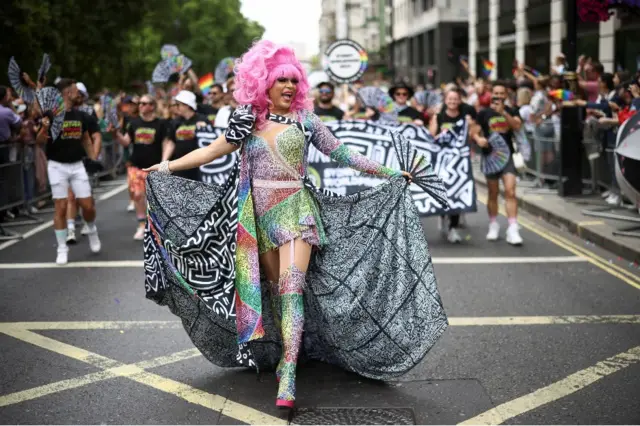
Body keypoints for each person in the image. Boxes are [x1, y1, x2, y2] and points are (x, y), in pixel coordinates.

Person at [143, 40, 448, 409]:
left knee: (290, 287)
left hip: (296, 211)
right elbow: (212, 151)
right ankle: (287, 350)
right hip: (255, 219)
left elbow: (342, 153)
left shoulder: (306, 120)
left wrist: (389, 172)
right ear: (264, 83)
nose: (288, 86)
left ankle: (287, 372)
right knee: (272, 293)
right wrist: (166, 167)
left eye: (293, 80)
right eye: (280, 80)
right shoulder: (247, 119)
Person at [35, 79, 101, 265]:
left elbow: (86, 140)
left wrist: (93, 160)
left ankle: (91, 228)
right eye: (74, 90)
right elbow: (39, 142)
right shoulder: (51, 115)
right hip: (56, 166)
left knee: (87, 206)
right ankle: (62, 248)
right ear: (66, 93)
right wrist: (45, 128)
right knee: (61, 207)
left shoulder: (81, 116)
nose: (78, 93)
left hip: (77, 165)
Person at [473, 81, 524, 245]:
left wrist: (504, 113)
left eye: (502, 94)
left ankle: (513, 228)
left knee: (510, 191)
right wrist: (478, 139)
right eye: (496, 93)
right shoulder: (483, 113)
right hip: (490, 158)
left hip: (508, 157)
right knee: (492, 193)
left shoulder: (512, 110)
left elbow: (516, 126)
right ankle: (493, 224)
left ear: (506, 95)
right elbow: (473, 131)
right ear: (491, 94)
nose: (499, 96)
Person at [114, 94, 170, 239]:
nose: (141, 106)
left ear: (152, 106)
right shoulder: (133, 123)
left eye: (144, 103)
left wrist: (164, 162)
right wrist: (116, 134)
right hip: (136, 166)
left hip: (154, 167)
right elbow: (126, 142)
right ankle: (141, 225)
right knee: (138, 196)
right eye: (140, 104)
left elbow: (165, 143)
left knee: (155, 200)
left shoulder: (161, 124)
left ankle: (156, 227)